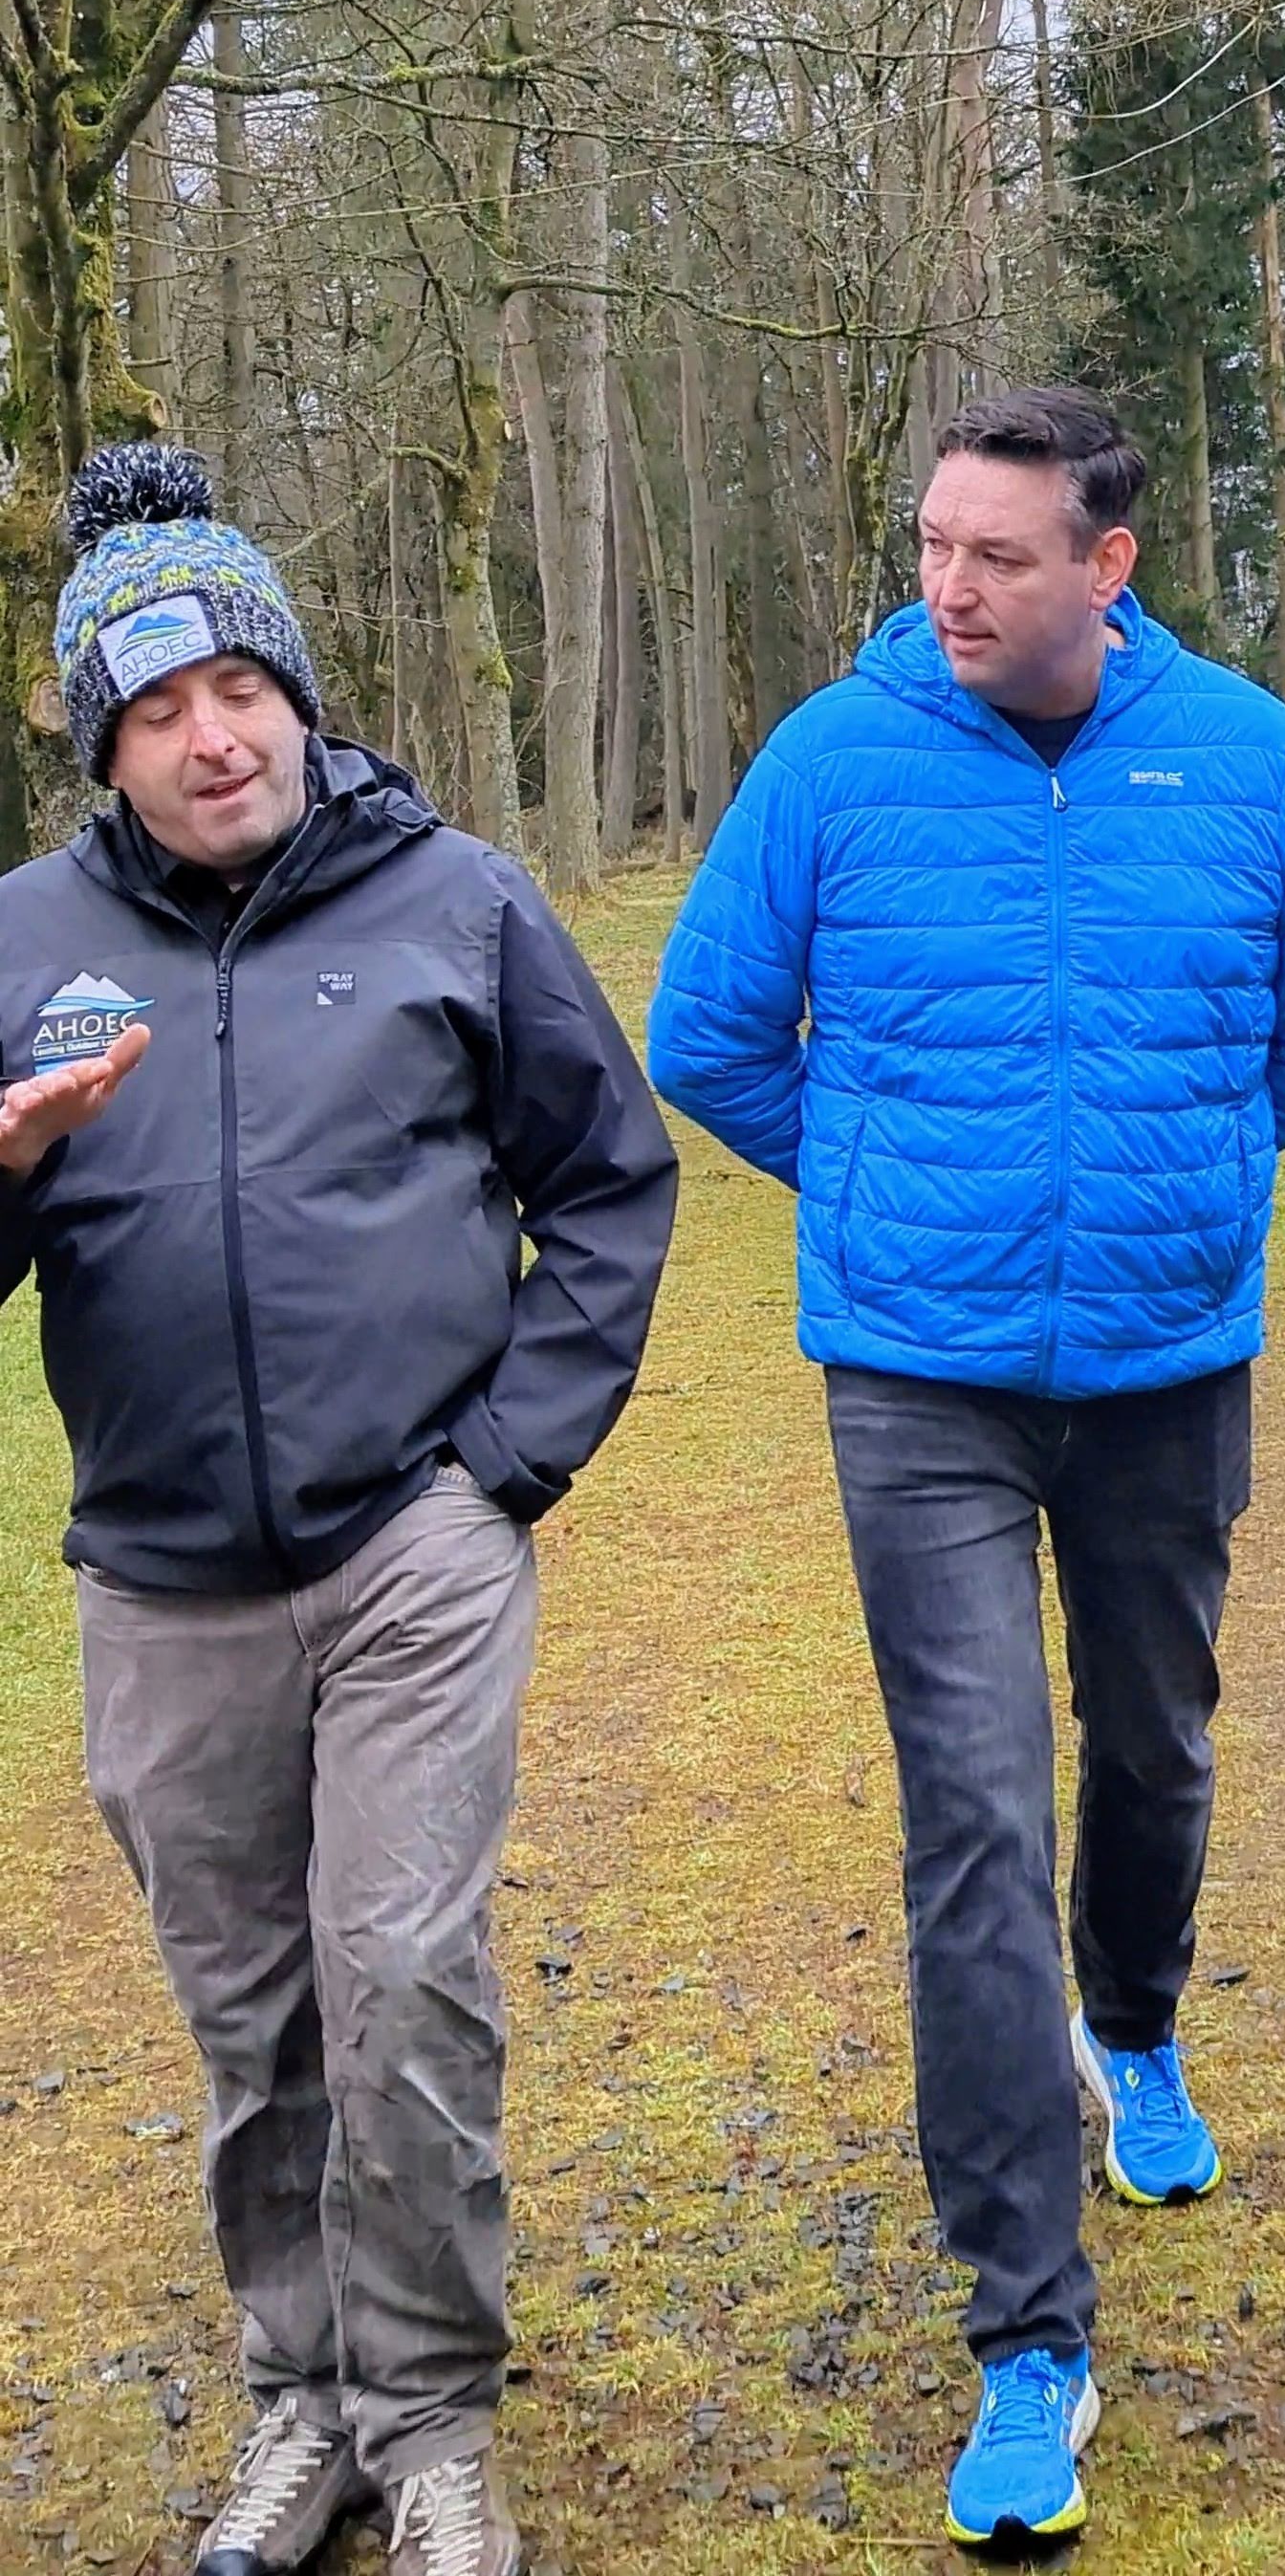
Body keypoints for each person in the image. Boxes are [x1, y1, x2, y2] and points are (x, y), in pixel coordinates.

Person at [648, 387, 1285, 2545]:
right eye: (930, 544)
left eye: (996, 553)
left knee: (1151, 1740)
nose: (947, 586)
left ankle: (1134, 2019)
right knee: (971, 1814)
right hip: (920, 1380)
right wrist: (887, 1183)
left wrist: (1169, 1186)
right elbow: (706, 1033)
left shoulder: (1244, 759)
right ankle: (1027, 2338)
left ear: (1110, 564)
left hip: (1166, 1362)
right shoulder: (833, 758)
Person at [0, 446, 678, 2576]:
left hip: (410, 1544)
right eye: (158, 708)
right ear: (104, 747)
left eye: (241, 688)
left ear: (296, 681)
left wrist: (503, 1473)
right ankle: (304, 2406)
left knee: (400, 1981)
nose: (216, 737)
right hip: (162, 1580)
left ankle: (437, 2419)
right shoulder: (23, 939)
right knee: (255, 2022)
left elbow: (609, 1180)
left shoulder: (454, 901)